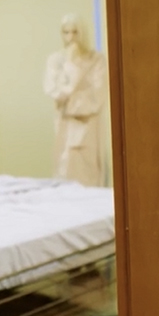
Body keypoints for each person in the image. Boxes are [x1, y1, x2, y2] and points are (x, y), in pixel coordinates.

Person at [43, 13, 109, 187]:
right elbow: (54, 91)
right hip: (64, 131)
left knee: (88, 179)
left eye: (75, 32)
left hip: (88, 132)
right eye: (66, 32)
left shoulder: (96, 60)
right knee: (64, 176)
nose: (70, 37)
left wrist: (69, 103)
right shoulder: (55, 60)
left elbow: (95, 99)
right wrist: (71, 67)